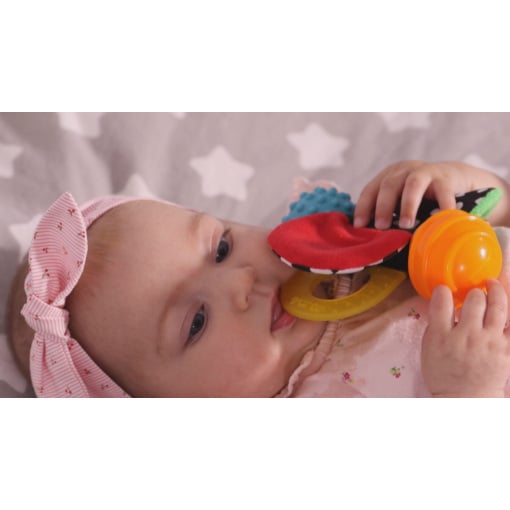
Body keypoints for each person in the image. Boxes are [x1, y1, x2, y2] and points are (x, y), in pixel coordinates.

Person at [6, 160, 510, 397]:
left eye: (221, 248)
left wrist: (457, 186)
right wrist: (467, 397)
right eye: (197, 322)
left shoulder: (349, 240)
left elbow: (495, 213)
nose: (241, 281)